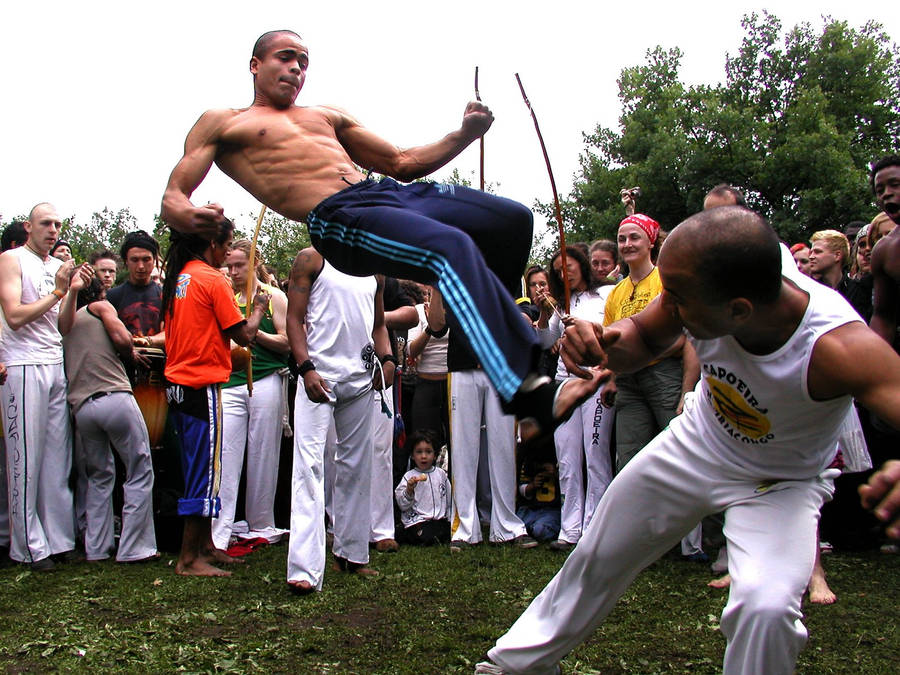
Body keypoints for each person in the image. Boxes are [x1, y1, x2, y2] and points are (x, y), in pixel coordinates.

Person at [480, 206, 900, 675]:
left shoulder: (837, 346)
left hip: (783, 482)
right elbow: (644, 333)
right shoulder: (717, 276)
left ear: (738, 310)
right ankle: (518, 665)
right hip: (700, 441)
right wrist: (606, 340)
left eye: (677, 299)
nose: (669, 306)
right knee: (601, 549)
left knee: (766, 610)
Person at [160, 29, 600, 443]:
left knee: (512, 222)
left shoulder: (324, 115)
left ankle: (496, 339)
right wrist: (192, 216)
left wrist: (463, 135)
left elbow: (402, 160)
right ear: (255, 64)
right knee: (450, 248)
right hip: (336, 219)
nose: (297, 68)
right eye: (286, 57)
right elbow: (173, 198)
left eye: (304, 62)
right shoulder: (223, 122)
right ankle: (528, 395)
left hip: (385, 193)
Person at [161, 217, 269, 577]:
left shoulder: (181, 278)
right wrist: (258, 307)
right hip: (199, 385)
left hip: (178, 384)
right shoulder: (212, 279)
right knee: (204, 470)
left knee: (199, 465)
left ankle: (206, 545)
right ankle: (189, 559)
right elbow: (245, 335)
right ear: (212, 244)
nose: (226, 254)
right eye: (224, 246)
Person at [285, 247, 391, 593]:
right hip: (319, 378)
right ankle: (304, 568)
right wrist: (306, 368)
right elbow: (293, 319)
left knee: (357, 467)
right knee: (309, 467)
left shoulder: (375, 267)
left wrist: (388, 360)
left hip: (360, 380)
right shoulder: (312, 259)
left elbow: (378, 324)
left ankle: (352, 554)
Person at [0, 203, 93, 570]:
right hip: (22, 364)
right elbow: (14, 316)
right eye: (45, 223)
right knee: (25, 456)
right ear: (29, 226)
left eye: (57, 224)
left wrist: (71, 291)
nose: (53, 230)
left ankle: (57, 538)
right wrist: (57, 292)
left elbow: (64, 327)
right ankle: (27, 546)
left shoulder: (57, 267)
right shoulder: (11, 259)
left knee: (58, 458)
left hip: (54, 363)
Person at [61, 278, 158, 563]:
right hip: (114, 396)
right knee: (139, 469)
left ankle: (96, 547)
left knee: (99, 477)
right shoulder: (101, 307)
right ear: (100, 292)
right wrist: (130, 352)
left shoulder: (65, 323)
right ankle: (133, 547)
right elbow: (122, 339)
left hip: (82, 407)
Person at [212, 240, 290, 551]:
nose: (233, 271)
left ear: (255, 261)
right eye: (229, 266)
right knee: (226, 455)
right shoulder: (224, 296)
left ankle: (261, 524)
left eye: (239, 265)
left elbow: (286, 341)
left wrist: (255, 332)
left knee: (263, 454)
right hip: (229, 383)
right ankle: (220, 529)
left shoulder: (274, 298)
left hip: (265, 379)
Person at [535, 247, 615, 551]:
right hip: (563, 383)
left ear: (581, 265)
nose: (563, 273)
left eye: (567, 266)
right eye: (557, 270)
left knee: (595, 454)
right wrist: (545, 311)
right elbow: (543, 340)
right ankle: (570, 529)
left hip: (594, 379)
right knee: (567, 457)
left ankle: (596, 529)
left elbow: (616, 329)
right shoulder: (562, 304)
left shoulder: (606, 294)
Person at [106, 231, 165, 345]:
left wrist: (148, 340)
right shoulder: (112, 296)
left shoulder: (166, 295)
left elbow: (173, 333)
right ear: (126, 261)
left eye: (146, 259)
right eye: (135, 260)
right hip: (121, 361)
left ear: (154, 261)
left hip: (160, 359)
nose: (141, 266)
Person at [394, 430, 452, 545]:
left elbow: (448, 500)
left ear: (435, 455)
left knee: (444, 531)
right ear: (412, 455)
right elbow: (403, 505)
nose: (424, 456)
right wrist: (409, 490)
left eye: (428, 452)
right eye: (419, 452)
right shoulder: (409, 476)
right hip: (418, 521)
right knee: (422, 534)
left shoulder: (441, 475)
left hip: (438, 520)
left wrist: (448, 517)